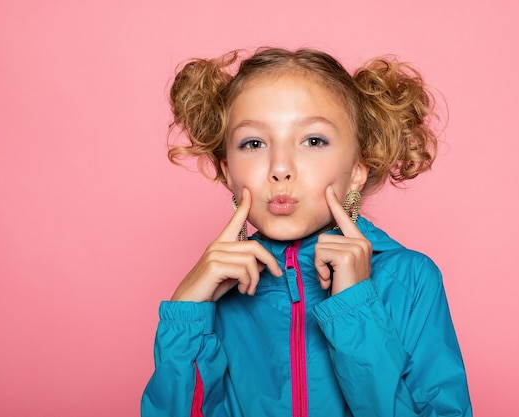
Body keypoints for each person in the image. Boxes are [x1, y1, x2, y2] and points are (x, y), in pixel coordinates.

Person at [141, 47, 472, 417]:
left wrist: (355, 311)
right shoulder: (215, 299)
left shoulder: (411, 280)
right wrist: (187, 314)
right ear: (228, 171)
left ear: (358, 167)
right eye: (253, 143)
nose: (280, 168)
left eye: (313, 141)